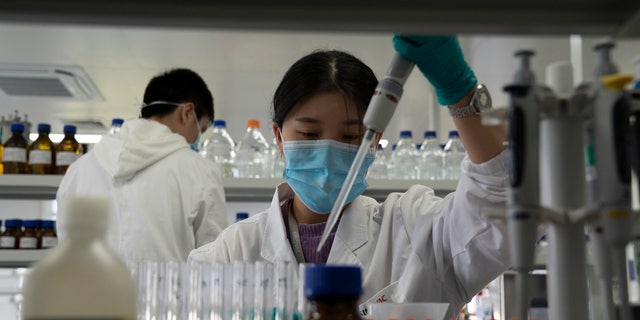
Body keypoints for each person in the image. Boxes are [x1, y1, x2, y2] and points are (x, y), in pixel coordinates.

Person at [189, 36, 508, 318]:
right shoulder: (229, 256)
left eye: (351, 136)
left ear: (375, 140)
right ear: (278, 137)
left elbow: (501, 210)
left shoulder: (412, 229)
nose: (328, 153)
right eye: (310, 133)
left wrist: (460, 91)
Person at [57, 68, 229, 263]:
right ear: (187, 112)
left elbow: (66, 250)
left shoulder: (79, 170)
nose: (196, 139)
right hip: (169, 293)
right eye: (201, 129)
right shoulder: (201, 171)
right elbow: (214, 265)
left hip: (92, 293)